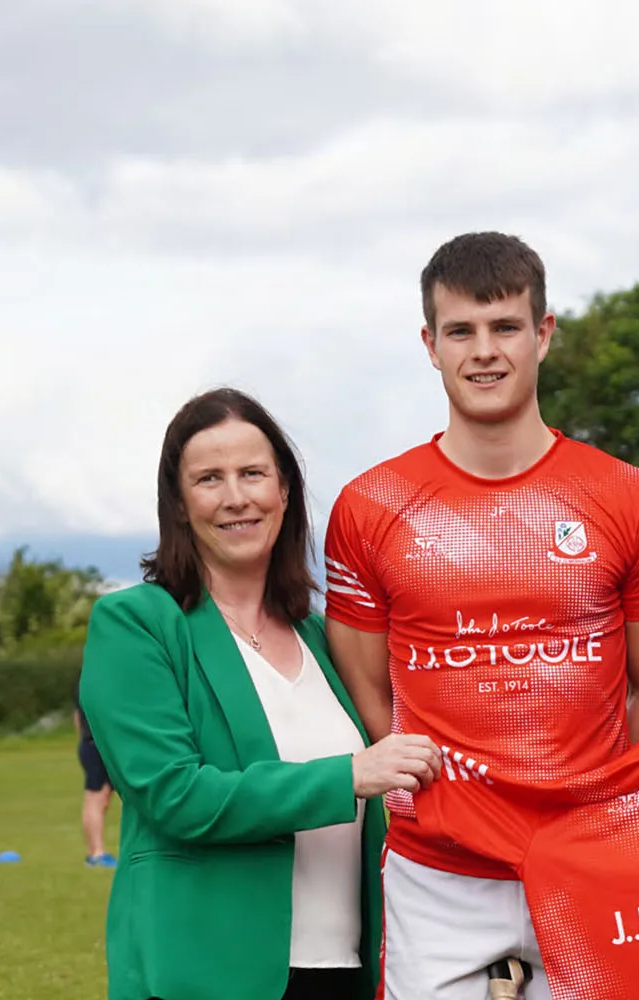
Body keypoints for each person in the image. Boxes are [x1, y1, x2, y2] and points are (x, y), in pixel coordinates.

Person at [324, 232, 639, 1000]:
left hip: (592, 856)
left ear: (544, 333)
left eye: (505, 327)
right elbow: (372, 696)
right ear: (430, 344)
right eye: (461, 330)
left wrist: (603, 814)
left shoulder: (631, 497)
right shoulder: (369, 507)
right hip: (439, 871)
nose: (483, 352)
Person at [80, 388, 442, 1000]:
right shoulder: (136, 623)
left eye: (253, 473)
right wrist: (348, 775)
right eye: (209, 479)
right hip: (205, 974)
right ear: (178, 502)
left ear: (285, 491)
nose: (235, 497)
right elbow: (175, 794)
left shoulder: (325, 637)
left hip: (344, 970)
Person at [74, 684, 117, 867]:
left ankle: (95, 853)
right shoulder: (90, 682)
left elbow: (76, 718)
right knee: (95, 798)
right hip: (94, 745)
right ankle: (97, 854)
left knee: (104, 798)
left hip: (100, 746)